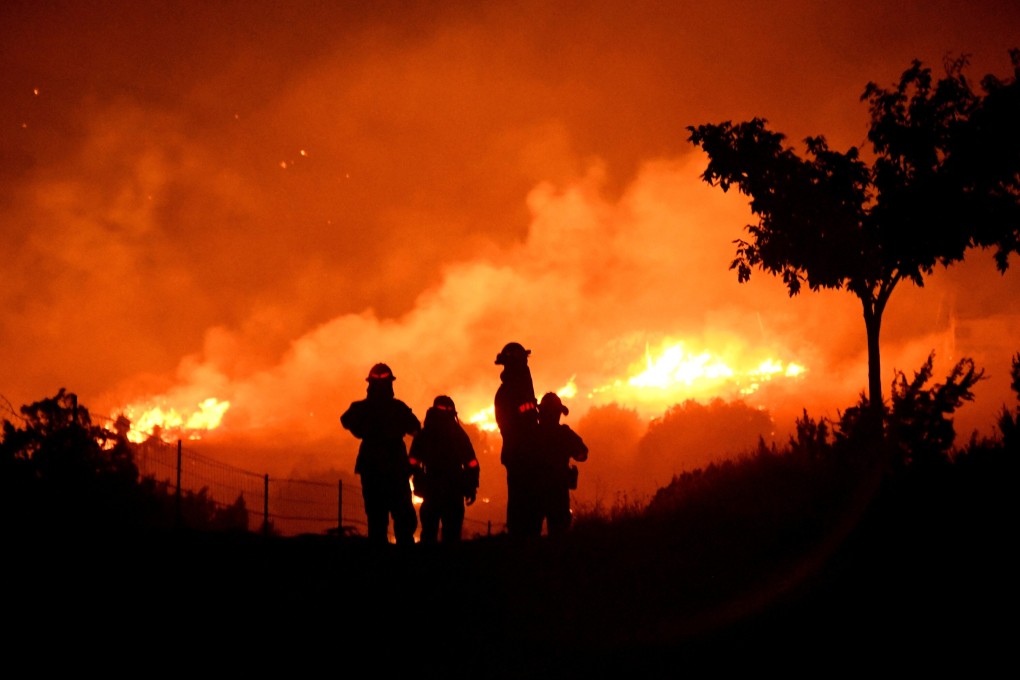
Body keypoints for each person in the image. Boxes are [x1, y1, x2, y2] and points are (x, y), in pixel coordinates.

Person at [340, 363, 421, 546]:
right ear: (390, 385)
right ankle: (406, 560)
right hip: (396, 468)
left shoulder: (362, 408)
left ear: (370, 385)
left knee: (376, 517)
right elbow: (416, 429)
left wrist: (363, 430)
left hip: (372, 467)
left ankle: (379, 560)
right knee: (402, 516)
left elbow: (345, 420)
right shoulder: (398, 408)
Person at [408, 395, 480, 544]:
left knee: (429, 534)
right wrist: (471, 487)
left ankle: (429, 565)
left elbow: (412, 461)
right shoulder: (458, 434)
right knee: (451, 536)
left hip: (432, 489)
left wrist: (418, 476)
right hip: (453, 490)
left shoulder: (425, 434)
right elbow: (471, 463)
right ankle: (449, 565)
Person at [493, 341, 541, 536]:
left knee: (530, 498)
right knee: (521, 498)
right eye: (522, 362)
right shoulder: (507, 393)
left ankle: (528, 536)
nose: (525, 367)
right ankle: (521, 538)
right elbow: (512, 423)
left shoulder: (521, 389)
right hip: (519, 453)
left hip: (526, 452)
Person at [535, 392, 588, 536]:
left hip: (535, 490)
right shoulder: (564, 434)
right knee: (559, 534)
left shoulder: (533, 434)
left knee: (531, 535)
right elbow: (582, 454)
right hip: (558, 491)